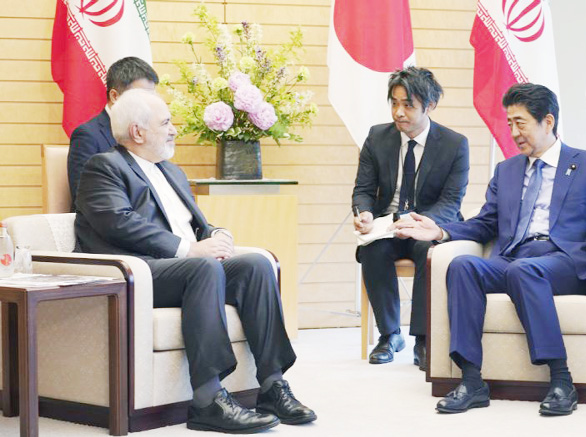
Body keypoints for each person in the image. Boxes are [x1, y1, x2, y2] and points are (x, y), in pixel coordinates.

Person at [75, 89, 316, 434]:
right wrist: (189, 250)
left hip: (186, 269)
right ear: (138, 132)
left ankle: (272, 387)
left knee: (256, 265)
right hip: (140, 271)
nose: (174, 129)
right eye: (166, 122)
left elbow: (195, 224)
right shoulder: (104, 167)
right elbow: (119, 221)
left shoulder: (170, 171)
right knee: (202, 267)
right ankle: (207, 400)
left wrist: (219, 235)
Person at [393, 83, 586, 416]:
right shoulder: (507, 170)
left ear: (548, 121)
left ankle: (561, 379)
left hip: (562, 262)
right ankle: (472, 381)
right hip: (514, 259)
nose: (514, 132)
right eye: (510, 123)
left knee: (523, 270)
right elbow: (485, 224)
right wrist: (442, 230)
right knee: (462, 266)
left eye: (521, 122)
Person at [352, 66, 469, 368]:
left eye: (408, 105)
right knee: (372, 250)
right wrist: (363, 212)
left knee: (426, 252)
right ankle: (390, 335)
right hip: (387, 226)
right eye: (394, 102)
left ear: (429, 106)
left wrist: (419, 224)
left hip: (429, 225)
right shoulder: (377, 137)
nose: (398, 112)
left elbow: (451, 201)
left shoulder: (455, 144)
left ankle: (424, 339)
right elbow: (363, 189)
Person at [67, 56, 159, 209]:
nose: (148, 104)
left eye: (151, 97)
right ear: (115, 96)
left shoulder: (148, 132)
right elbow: (85, 195)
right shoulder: (87, 135)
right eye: (141, 97)